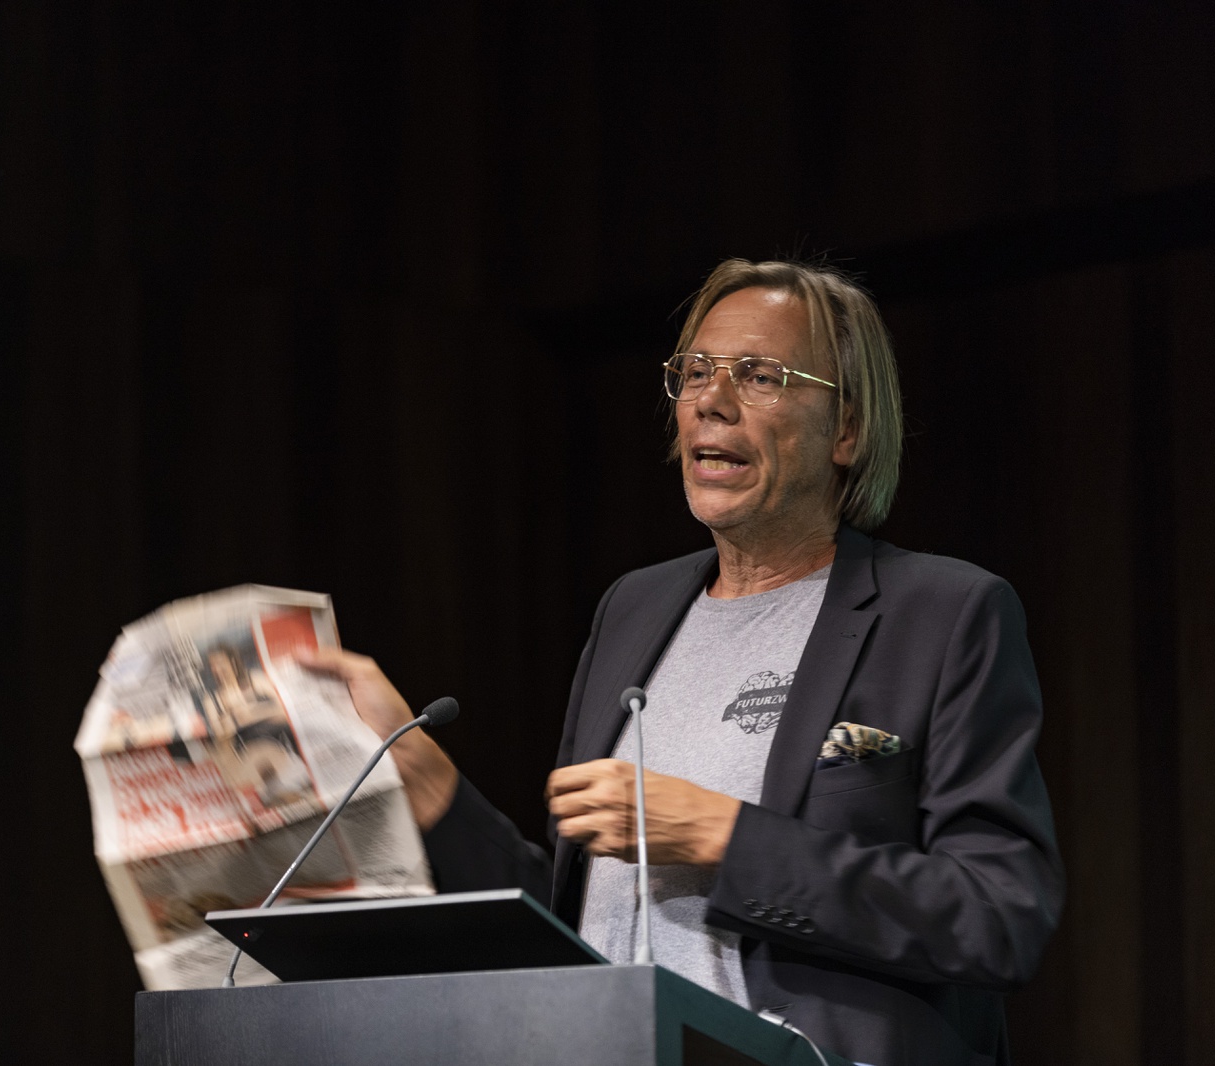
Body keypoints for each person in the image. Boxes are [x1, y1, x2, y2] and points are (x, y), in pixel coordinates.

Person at [298, 259, 1063, 1066]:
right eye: (695, 371)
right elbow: (576, 924)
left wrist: (721, 835)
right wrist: (428, 787)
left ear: (847, 429)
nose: (711, 400)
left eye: (760, 376)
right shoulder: (633, 609)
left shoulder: (942, 613)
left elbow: (998, 918)